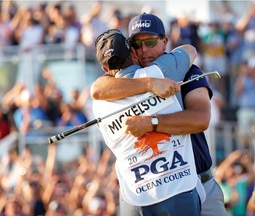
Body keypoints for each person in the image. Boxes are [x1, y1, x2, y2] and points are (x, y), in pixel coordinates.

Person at [91, 13, 227, 216]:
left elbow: (200, 119)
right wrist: (149, 83)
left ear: (165, 41)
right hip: (149, 189)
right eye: (137, 44)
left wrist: (151, 122)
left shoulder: (186, 71)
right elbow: (97, 88)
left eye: (151, 41)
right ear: (131, 51)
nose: (144, 50)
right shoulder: (118, 84)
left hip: (198, 182)